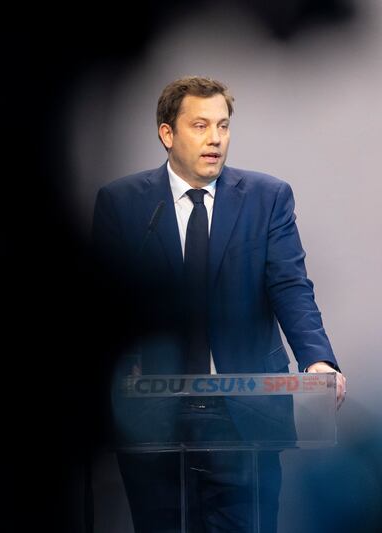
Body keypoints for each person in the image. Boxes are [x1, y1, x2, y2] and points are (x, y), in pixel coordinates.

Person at [91, 76, 346, 532]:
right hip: (153, 416)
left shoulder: (267, 198)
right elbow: (101, 310)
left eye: (223, 126)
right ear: (167, 133)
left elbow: (290, 285)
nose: (215, 139)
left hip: (245, 415)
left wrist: (317, 359)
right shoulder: (123, 205)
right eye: (201, 125)